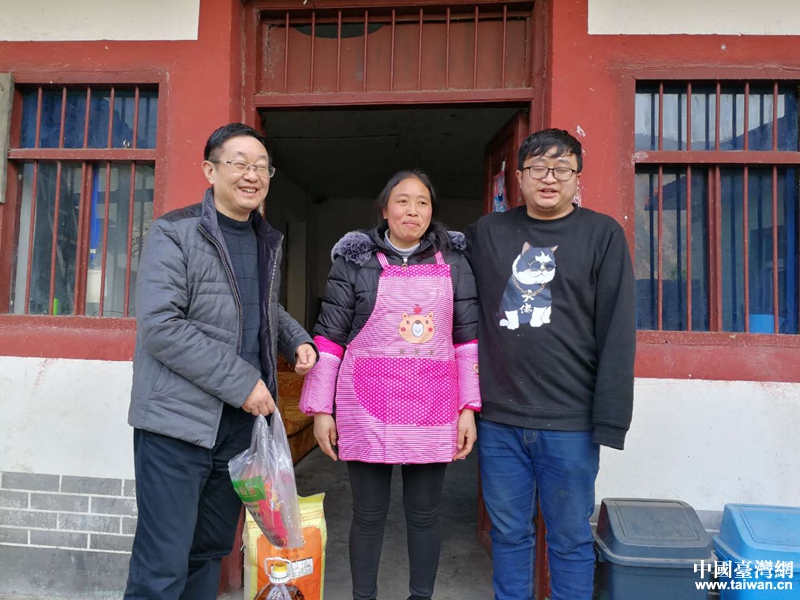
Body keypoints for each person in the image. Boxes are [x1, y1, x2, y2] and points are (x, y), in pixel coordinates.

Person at [124, 122, 317, 600]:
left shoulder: (264, 239)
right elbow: (161, 326)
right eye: (239, 164)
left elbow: (262, 307)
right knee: (162, 561)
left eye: (262, 167)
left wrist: (295, 339)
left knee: (209, 551)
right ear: (210, 171)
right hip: (176, 425)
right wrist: (243, 382)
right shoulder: (174, 232)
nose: (252, 175)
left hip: (236, 431)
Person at [465, 128, 636, 600]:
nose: (549, 178)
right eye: (538, 168)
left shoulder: (602, 235)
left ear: (578, 178)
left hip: (571, 423)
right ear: (519, 177)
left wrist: (610, 419)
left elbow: (618, 331)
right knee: (509, 534)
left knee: (571, 538)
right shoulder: (488, 233)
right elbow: (436, 274)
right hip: (500, 419)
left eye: (562, 169)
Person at [299, 170, 481, 600]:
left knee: (424, 515)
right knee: (367, 515)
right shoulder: (354, 261)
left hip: (434, 404)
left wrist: (468, 409)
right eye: (402, 201)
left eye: (422, 202)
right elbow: (329, 338)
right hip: (366, 404)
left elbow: (467, 340)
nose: (412, 210)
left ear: (432, 211)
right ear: (385, 209)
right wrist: (321, 410)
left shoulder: (454, 262)